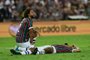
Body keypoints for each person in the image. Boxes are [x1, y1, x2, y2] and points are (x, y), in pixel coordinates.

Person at [10, 43, 80, 55]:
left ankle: (37, 53)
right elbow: (65, 44)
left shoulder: (71, 50)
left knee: (49, 49)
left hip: (54, 50)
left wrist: (75, 47)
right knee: (33, 48)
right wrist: (71, 45)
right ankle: (19, 51)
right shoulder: (65, 46)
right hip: (50, 46)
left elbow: (78, 49)